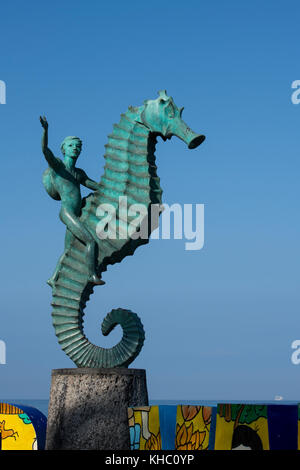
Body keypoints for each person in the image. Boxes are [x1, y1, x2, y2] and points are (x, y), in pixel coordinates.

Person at [40, 115, 104, 287]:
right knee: (90, 241)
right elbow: (45, 151)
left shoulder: (79, 173)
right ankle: (91, 275)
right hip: (67, 213)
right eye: (71, 146)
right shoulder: (58, 167)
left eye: (78, 146)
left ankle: (53, 278)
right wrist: (46, 131)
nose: (75, 148)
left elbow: (95, 186)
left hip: (77, 213)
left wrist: (112, 186)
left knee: (68, 250)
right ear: (63, 149)